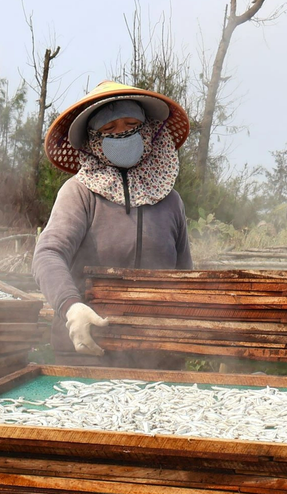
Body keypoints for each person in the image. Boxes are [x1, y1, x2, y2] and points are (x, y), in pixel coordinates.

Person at [33, 81, 193, 367]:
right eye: (109, 129)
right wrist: (71, 307)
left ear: (147, 130)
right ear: (94, 139)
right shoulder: (80, 193)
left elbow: (185, 277)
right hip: (86, 349)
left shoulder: (170, 201)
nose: (122, 132)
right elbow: (48, 254)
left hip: (158, 353)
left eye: (131, 123)